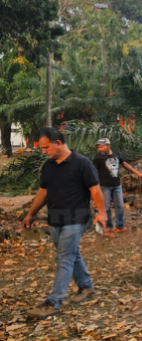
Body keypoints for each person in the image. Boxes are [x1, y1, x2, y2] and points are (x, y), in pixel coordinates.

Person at [22, 128, 108, 320]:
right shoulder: (49, 166)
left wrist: (102, 213)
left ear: (58, 143)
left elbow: (95, 189)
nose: (43, 152)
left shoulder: (82, 163)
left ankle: (54, 301)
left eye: (46, 147)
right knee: (71, 253)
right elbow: (43, 192)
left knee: (64, 257)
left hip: (76, 219)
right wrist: (30, 214)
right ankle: (85, 285)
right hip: (55, 219)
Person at [93, 138, 142, 233]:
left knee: (120, 205)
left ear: (108, 145)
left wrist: (137, 173)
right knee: (107, 207)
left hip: (117, 185)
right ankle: (108, 227)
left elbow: (124, 164)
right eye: (98, 147)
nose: (100, 149)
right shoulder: (98, 157)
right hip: (104, 186)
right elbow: (94, 171)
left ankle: (120, 226)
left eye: (102, 146)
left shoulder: (116, 153)